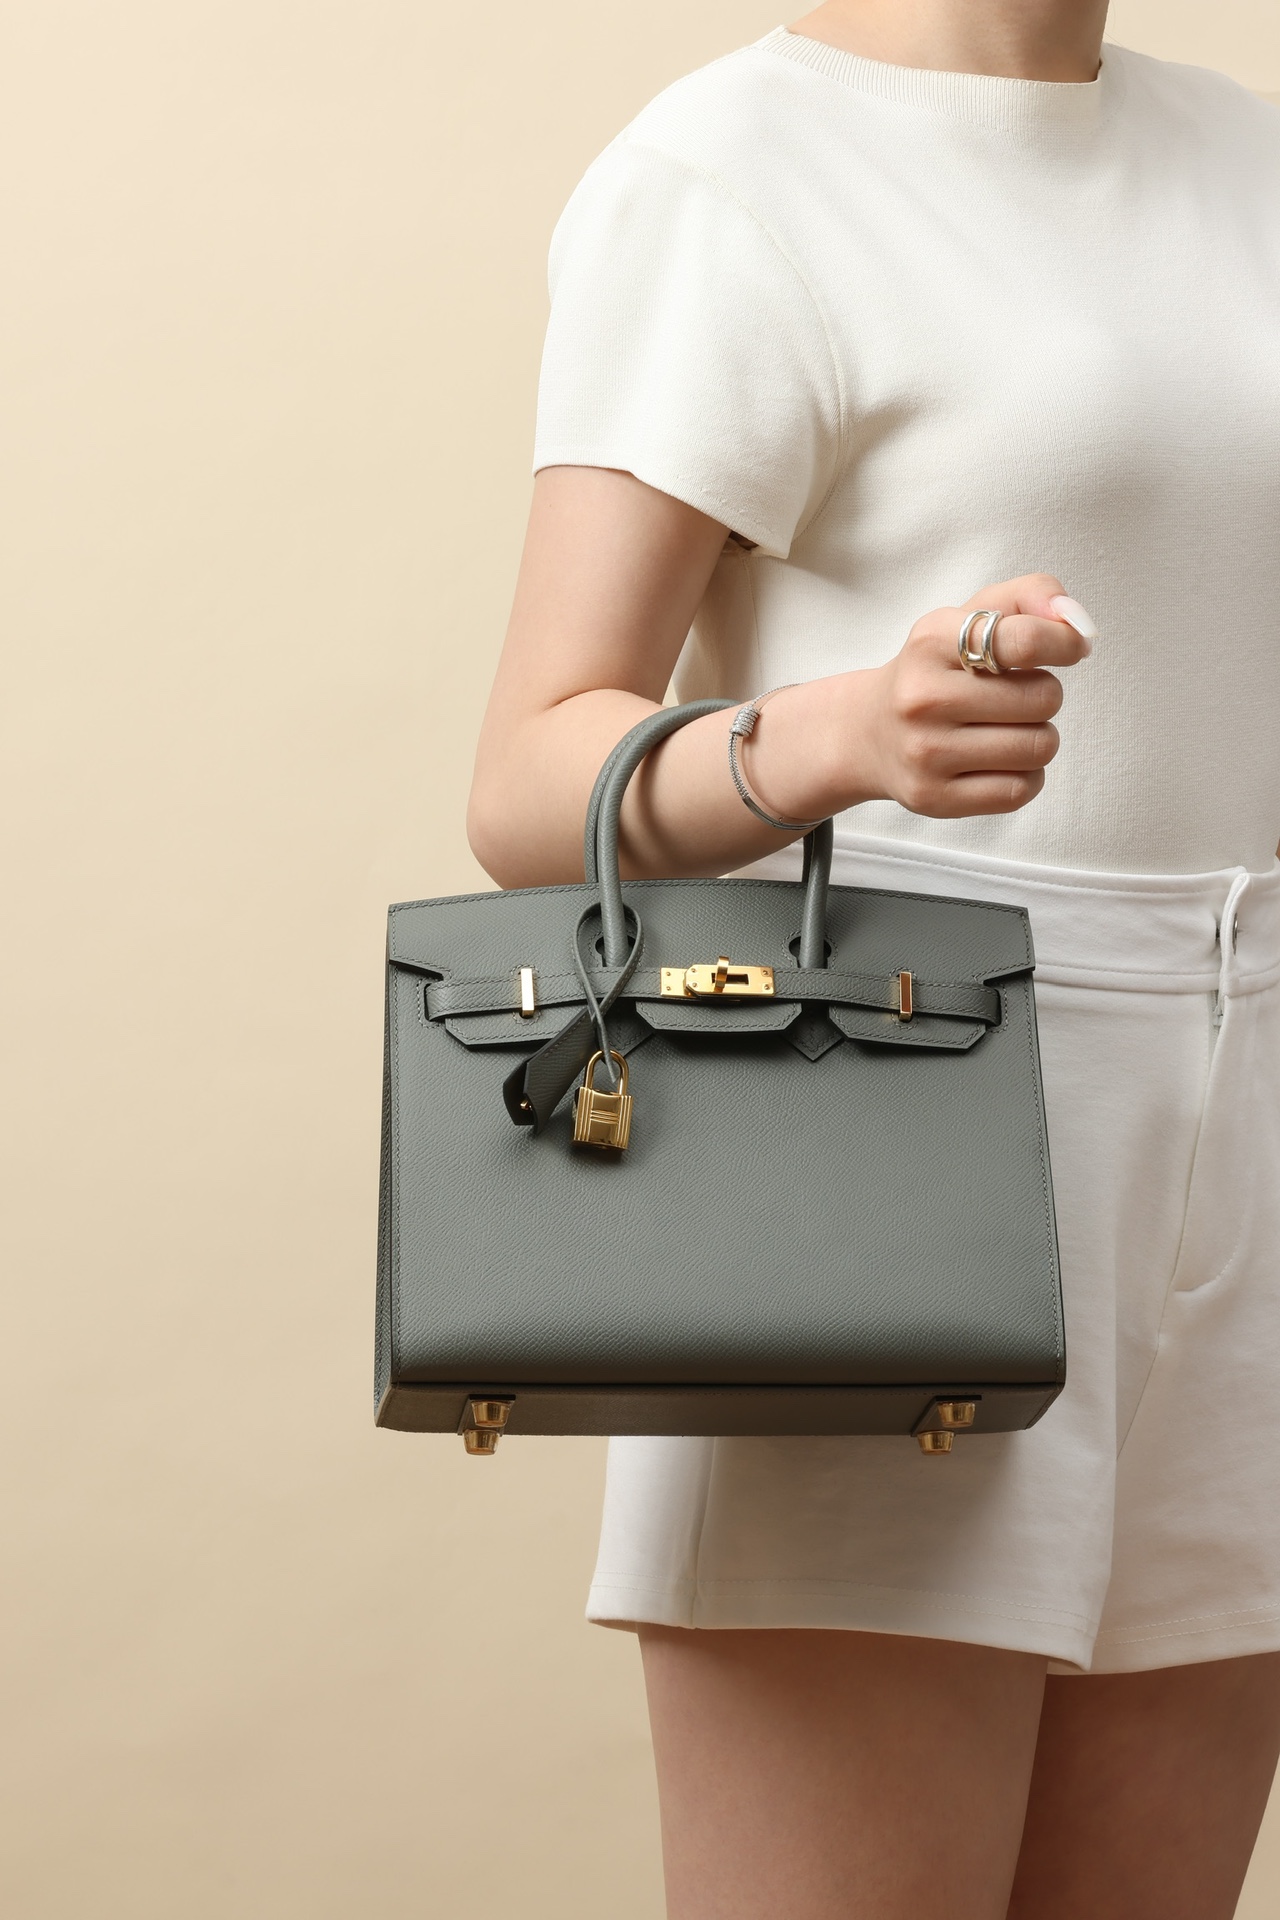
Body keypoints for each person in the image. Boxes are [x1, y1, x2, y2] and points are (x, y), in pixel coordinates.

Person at [467, 1, 1280, 1912]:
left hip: (1253, 1137)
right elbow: (525, 773)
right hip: (893, 1126)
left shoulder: (1252, 160)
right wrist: (834, 738)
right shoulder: (735, 172)